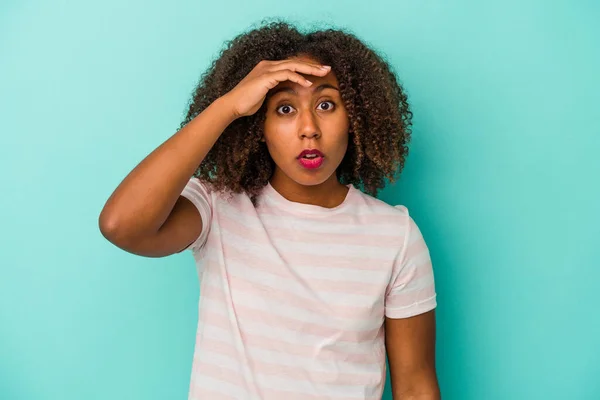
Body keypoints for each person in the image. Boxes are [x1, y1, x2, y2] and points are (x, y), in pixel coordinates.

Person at [99, 20, 440, 400]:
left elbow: (415, 385)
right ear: (258, 125)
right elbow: (121, 225)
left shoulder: (395, 236)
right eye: (284, 108)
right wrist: (228, 107)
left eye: (326, 104)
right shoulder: (218, 207)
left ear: (357, 117)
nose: (308, 128)